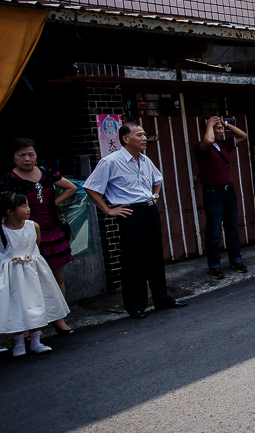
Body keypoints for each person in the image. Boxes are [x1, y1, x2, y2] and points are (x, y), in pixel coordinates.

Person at [83, 122, 187, 319]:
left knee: (155, 256)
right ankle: (136, 305)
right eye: (139, 135)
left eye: (144, 134)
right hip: (130, 213)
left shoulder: (145, 160)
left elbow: (158, 179)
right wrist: (108, 210)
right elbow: (91, 187)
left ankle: (162, 298)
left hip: (149, 210)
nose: (144, 138)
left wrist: (154, 196)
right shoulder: (110, 162)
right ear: (125, 138)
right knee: (134, 260)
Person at [1, 139, 76, 335]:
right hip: (26, 234)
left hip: (52, 229)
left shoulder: (47, 172)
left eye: (31, 154)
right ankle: (30, 327)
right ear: (13, 157)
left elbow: (71, 188)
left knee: (57, 277)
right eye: (21, 155)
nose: (27, 159)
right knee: (27, 285)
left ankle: (59, 320)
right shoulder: (7, 180)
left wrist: (54, 203)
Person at [1, 192, 70, 356]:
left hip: (31, 270)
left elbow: (35, 246)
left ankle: (36, 340)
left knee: (35, 302)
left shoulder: (33, 226)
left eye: (27, 205)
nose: (28, 209)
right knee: (15, 305)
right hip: (11, 273)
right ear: (10, 211)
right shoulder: (2, 230)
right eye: (23, 206)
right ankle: (18, 341)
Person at [194, 115, 249, 279]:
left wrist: (226, 124)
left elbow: (243, 136)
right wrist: (210, 125)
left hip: (228, 191)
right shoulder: (200, 146)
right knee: (214, 231)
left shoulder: (224, 144)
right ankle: (214, 264)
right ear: (207, 129)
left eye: (220, 128)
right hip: (213, 193)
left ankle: (236, 259)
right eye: (217, 128)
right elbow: (208, 142)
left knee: (232, 228)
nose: (221, 131)